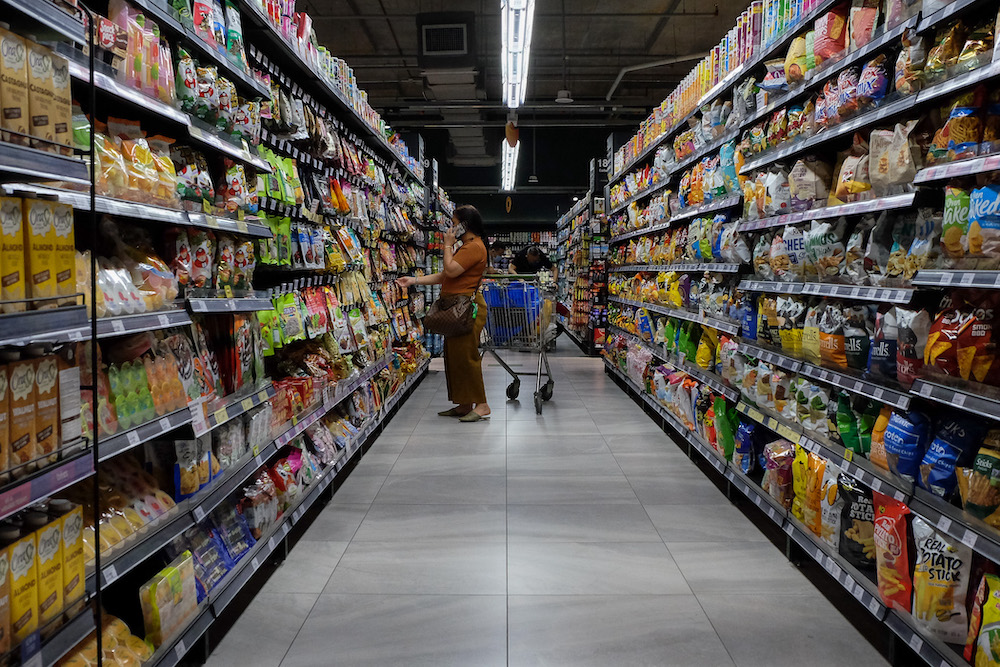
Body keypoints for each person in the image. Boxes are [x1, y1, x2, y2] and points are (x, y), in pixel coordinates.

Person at [395, 205, 492, 422]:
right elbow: (446, 276)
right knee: (455, 357)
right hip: (456, 308)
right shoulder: (466, 247)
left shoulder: (473, 247)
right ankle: (464, 403)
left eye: (455, 224)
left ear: (465, 225)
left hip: (466, 309)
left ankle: (482, 404)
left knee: (467, 358)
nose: (451, 228)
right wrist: (414, 280)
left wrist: (447, 245)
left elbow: (450, 270)